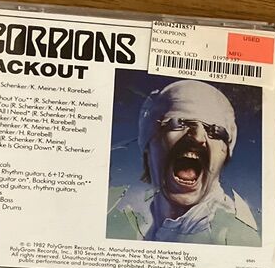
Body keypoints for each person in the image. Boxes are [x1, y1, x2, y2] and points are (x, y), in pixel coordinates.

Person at [107, 79, 260, 246]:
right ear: (149, 143)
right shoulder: (135, 224)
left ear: (225, 154)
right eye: (179, 122)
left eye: (214, 131)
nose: (198, 137)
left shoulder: (231, 236)